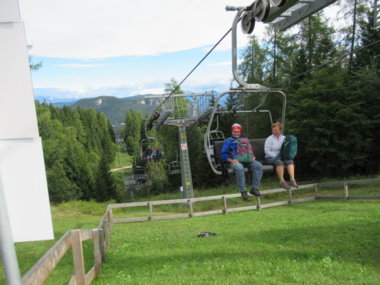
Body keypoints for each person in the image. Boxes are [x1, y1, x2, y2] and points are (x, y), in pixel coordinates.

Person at [220, 123, 263, 201]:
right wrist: (232, 160)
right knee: (240, 167)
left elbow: (249, 150)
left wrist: (252, 156)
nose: (236, 133)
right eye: (235, 131)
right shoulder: (228, 141)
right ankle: (243, 191)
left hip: (246, 161)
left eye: (238, 131)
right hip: (234, 162)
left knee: (258, 165)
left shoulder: (244, 140)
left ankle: (254, 188)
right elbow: (223, 155)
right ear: (232, 131)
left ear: (240, 132)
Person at [264, 122, 298, 189]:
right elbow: (267, 151)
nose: (274, 132)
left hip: (281, 157)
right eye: (273, 130)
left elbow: (286, 149)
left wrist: (284, 156)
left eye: (276, 130)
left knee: (290, 161)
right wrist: (277, 156)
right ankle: (282, 181)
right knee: (279, 162)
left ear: (280, 130)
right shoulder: (269, 139)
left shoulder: (284, 138)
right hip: (270, 157)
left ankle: (292, 180)